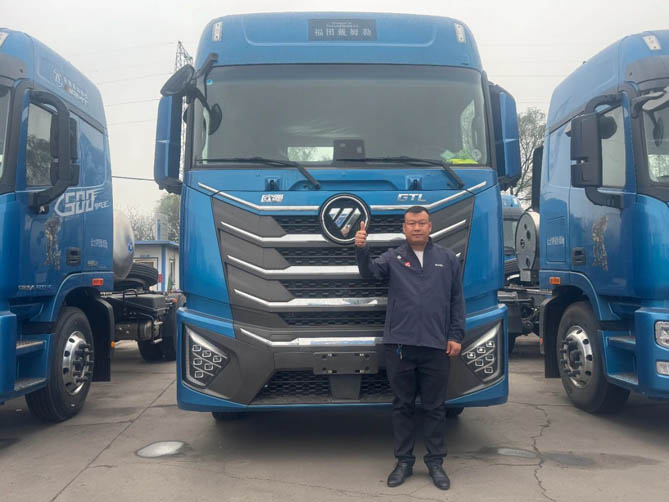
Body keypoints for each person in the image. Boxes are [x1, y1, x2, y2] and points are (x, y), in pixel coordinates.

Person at [355, 206, 464, 490]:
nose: (417, 228)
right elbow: (368, 274)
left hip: (436, 346)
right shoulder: (393, 257)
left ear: (430, 226)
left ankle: (435, 463)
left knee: (435, 407)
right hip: (400, 346)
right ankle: (404, 462)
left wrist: (455, 335)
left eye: (422, 223)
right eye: (411, 223)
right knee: (402, 406)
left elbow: (456, 300)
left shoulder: (447, 259)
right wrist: (362, 249)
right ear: (403, 228)